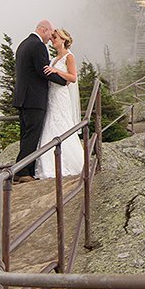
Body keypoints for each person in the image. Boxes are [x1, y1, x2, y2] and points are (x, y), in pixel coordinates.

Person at [13, 19, 65, 182]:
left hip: (22, 98)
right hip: (34, 99)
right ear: (44, 30)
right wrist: (63, 81)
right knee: (32, 135)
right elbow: (43, 70)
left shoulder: (23, 44)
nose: (51, 38)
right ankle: (22, 172)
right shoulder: (37, 45)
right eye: (51, 33)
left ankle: (24, 170)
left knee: (26, 134)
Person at [35, 28, 85, 179]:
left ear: (63, 39)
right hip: (52, 95)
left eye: (55, 38)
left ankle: (69, 162)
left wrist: (56, 72)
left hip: (61, 95)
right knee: (50, 124)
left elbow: (73, 77)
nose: (52, 40)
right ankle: (48, 164)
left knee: (61, 123)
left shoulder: (69, 57)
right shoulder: (54, 59)